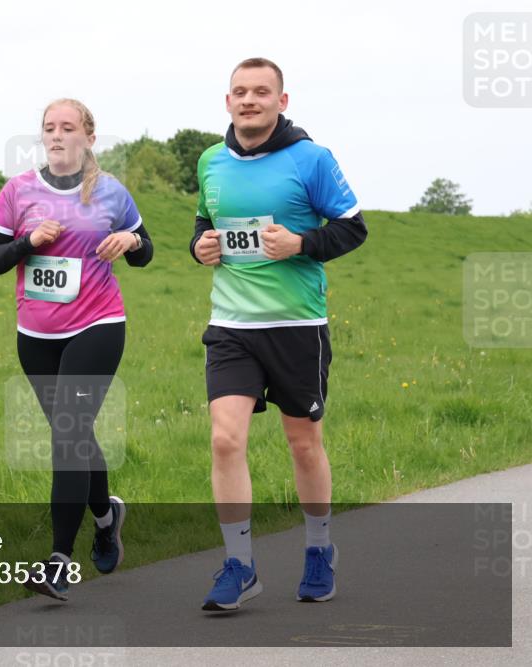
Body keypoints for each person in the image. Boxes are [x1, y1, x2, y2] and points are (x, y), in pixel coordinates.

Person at [189, 58, 368, 611]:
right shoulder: (210, 161)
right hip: (231, 326)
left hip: (296, 327)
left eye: (261, 92)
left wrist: (302, 244)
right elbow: (204, 223)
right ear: (227, 102)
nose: (250, 100)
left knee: (303, 442)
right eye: (240, 92)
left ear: (281, 102)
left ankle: (319, 550)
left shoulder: (311, 159)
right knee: (224, 439)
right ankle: (239, 565)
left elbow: (352, 227)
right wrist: (200, 247)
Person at [0, 98, 153, 600]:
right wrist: (28, 241)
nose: (56, 135)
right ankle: (107, 516)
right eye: (49, 128)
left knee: (69, 435)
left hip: (98, 325)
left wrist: (130, 242)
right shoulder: (17, 192)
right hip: (36, 336)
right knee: (73, 435)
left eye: (67, 128)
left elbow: (145, 249)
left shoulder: (111, 193)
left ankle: (59, 561)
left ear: (88, 139)